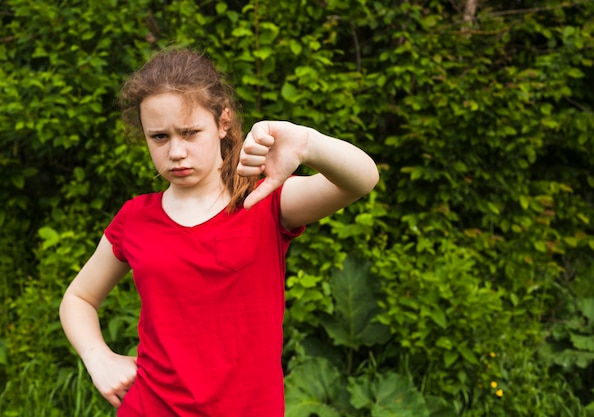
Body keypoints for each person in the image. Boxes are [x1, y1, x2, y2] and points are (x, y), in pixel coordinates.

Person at [59, 48, 379, 417]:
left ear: (223, 122)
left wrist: (308, 144)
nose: (176, 151)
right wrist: (97, 357)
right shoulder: (134, 219)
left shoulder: (263, 198)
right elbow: (79, 298)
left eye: (190, 132)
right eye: (159, 137)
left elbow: (362, 180)